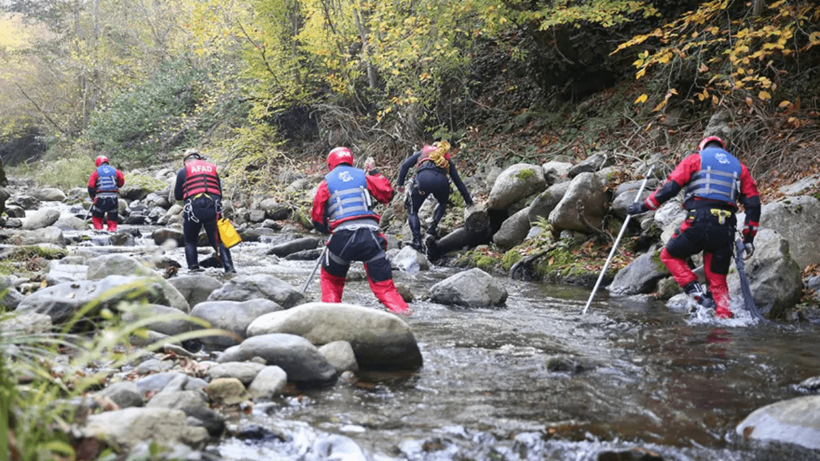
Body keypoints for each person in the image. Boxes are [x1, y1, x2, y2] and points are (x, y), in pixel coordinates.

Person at [627, 136, 760, 319]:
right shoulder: (739, 167)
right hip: (725, 229)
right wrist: (749, 238)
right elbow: (754, 204)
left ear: (702, 147)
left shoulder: (696, 159)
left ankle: (696, 293)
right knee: (718, 279)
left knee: (669, 255)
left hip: (698, 222)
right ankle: (724, 322)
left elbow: (670, 188)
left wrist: (643, 207)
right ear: (723, 149)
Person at [311, 147, 410, 315]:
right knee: (385, 288)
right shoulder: (363, 177)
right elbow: (387, 194)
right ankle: (405, 314)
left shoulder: (326, 183)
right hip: (370, 237)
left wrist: (326, 229)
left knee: (331, 280)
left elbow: (317, 217)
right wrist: (374, 172)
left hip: (342, 239)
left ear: (330, 165)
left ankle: (331, 316)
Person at [397, 140, 473, 251]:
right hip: (441, 182)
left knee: (412, 210)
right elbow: (458, 182)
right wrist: (468, 200)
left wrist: (400, 184)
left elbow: (404, 166)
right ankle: (432, 229)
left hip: (423, 179)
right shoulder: (446, 160)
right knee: (442, 203)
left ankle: (417, 241)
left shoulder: (423, 153)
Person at [174, 149, 236, 273]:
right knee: (220, 241)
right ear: (200, 159)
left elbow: (178, 195)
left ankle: (193, 269)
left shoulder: (183, 171)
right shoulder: (212, 169)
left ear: (185, 161)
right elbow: (219, 192)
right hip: (213, 208)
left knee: (190, 241)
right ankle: (229, 269)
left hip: (193, 209)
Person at [87, 155, 125, 232]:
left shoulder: (96, 172)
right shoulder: (115, 171)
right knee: (112, 218)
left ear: (97, 163)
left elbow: (91, 186)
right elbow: (121, 182)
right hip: (113, 199)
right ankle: (112, 232)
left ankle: (99, 232)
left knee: (97, 217)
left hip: (100, 199)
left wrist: (92, 197)